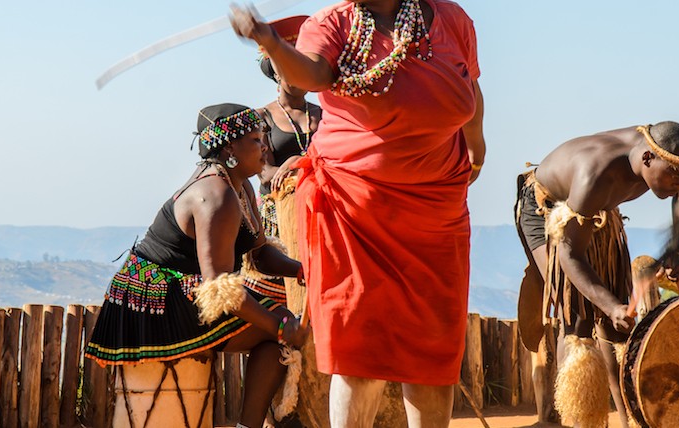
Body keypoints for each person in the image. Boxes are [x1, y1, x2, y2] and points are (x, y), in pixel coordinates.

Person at [229, 0, 486, 426]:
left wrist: (476, 149)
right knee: (360, 353)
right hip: (354, 212)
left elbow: (470, 88)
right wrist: (271, 41)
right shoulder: (333, 24)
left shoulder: (452, 20)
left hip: (437, 211)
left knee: (433, 354)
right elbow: (311, 73)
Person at [84, 103, 308, 428]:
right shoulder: (215, 196)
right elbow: (218, 288)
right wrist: (278, 326)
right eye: (257, 139)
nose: (265, 147)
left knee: (282, 323)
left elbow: (260, 255)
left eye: (264, 138)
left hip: (191, 288)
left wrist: (303, 269)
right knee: (278, 330)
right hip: (154, 297)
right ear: (230, 147)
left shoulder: (240, 185)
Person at [515, 121, 679, 427]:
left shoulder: (664, 160)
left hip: (600, 211)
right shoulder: (597, 174)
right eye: (673, 175)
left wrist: (678, 250)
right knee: (577, 319)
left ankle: (630, 419)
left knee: (620, 329)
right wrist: (612, 306)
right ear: (647, 160)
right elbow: (570, 255)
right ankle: (581, 421)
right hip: (549, 212)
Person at [246, 15, 323, 309]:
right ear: (278, 73)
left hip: (320, 212)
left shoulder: (325, 115)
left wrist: (298, 161)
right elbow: (263, 171)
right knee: (284, 305)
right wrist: (293, 164)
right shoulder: (261, 117)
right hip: (279, 221)